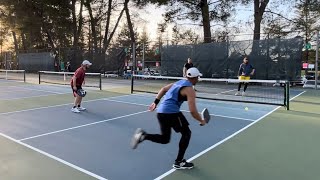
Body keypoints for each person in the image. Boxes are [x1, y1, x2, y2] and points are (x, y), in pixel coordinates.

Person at [131, 67, 207, 170]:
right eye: (198, 77)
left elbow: (163, 89)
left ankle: (143, 136)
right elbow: (193, 111)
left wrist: (155, 102)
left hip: (161, 112)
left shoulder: (178, 83)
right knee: (186, 133)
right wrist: (201, 120)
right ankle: (179, 162)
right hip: (171, 113)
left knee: (165, 139)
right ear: (194, 78)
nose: (198, 79)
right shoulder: (190, 90)